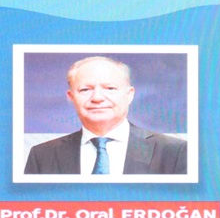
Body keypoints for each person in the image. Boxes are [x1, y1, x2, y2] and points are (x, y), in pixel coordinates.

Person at [24, 56, 187, 175]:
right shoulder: (42, 156)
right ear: (71, 97)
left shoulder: (174, 152)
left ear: (129, 95)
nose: (97, 98)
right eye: (85, 89)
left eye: (110, 88)